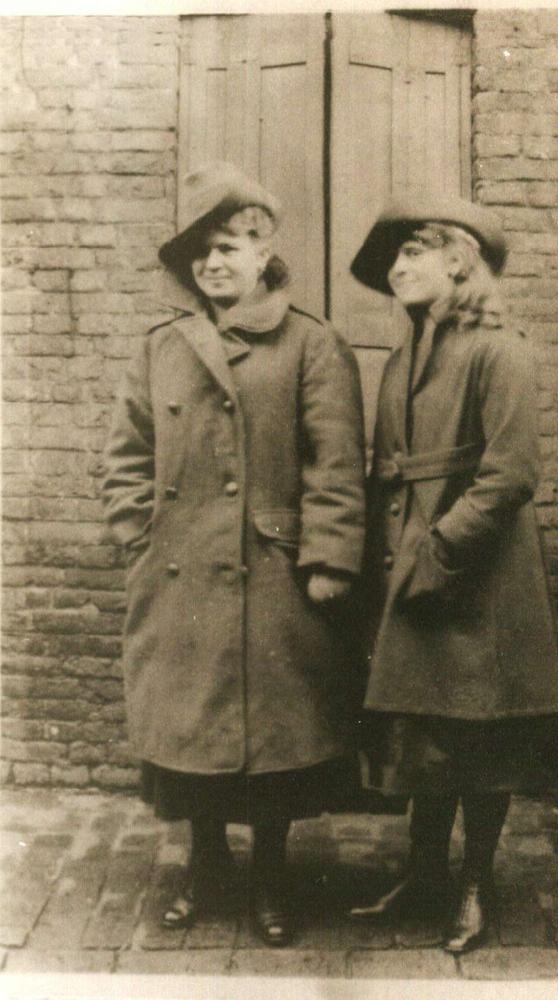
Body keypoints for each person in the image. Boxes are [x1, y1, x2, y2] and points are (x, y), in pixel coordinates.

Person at [102, 163, 366, 946]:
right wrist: (137, 537)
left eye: (226, 248)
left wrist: (328, 560)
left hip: (273, 575)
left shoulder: (311, 343)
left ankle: (273, 877)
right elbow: (124, 454)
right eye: (199, 255)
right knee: (192, 736)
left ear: (262, 252)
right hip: (179, 571)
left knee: (274, 742)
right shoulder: (159, 348)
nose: (213, 265)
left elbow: (337, 462)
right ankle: (207, 869)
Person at [347, 194, 558, 953]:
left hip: (479, 572)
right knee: (425, 729)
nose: (398, 266)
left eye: (414, 250)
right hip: (416, 561)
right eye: (395, 256)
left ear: (459, 257)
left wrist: (439, 550)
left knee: (482, 736)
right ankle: (425, 875)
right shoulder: (406, 356)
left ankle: (473, 886)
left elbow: (511, 475)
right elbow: (390, 471)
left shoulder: (500, 349)